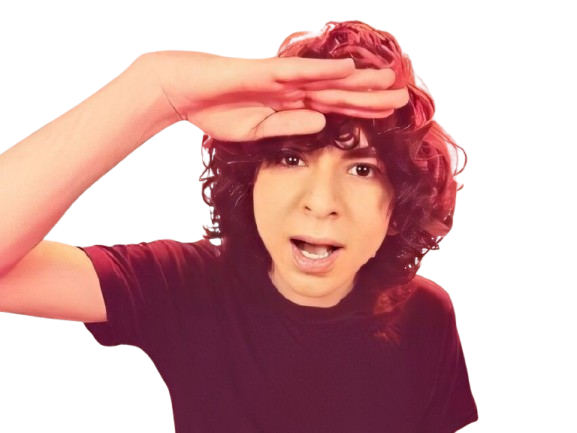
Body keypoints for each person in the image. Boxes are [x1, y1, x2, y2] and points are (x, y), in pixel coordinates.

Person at [0, 19, 478, 432]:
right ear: (250, 180)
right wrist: (155, 89)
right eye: (291, 158)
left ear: (399, 201)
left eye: (361, 168)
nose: (320, 202)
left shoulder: (429, 315)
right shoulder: (180, 284)